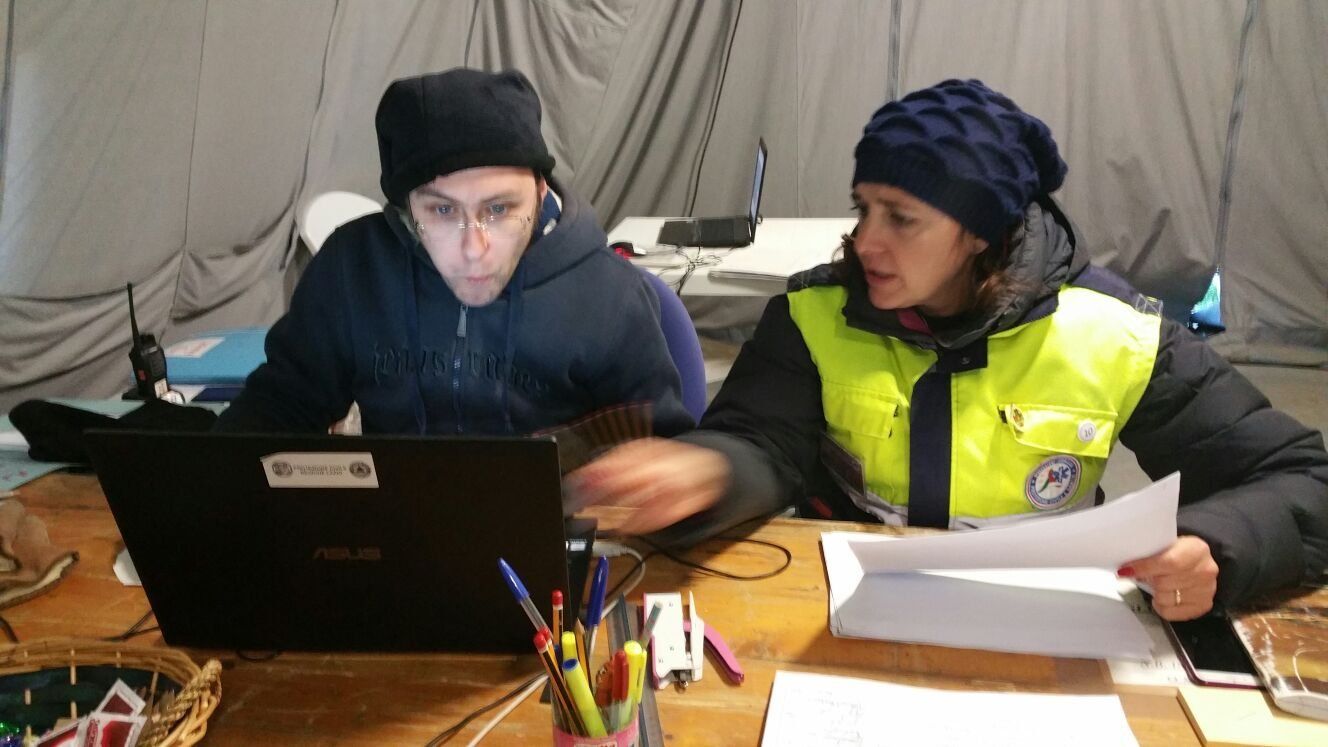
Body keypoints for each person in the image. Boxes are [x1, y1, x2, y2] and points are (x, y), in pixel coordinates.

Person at [570, 79, 1328, 621]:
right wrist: (707, 471)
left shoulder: (1117, 334)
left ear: (979, 232)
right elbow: (763, 443)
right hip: (843, 612)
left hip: (1047, 624)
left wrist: (1216, 546)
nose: (865, 241)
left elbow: (1303, 480)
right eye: (865, 207)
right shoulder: (812, 315)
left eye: (902, 217)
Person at [215, 68, 691, 438]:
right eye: (442, 211)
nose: (474, 249)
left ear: (541, 191)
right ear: (405, 210)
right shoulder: (351, 271)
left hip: (556, 524)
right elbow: (284, 402)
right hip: (393, 520)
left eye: (499, 209)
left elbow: (660, 449)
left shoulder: (608, 295)